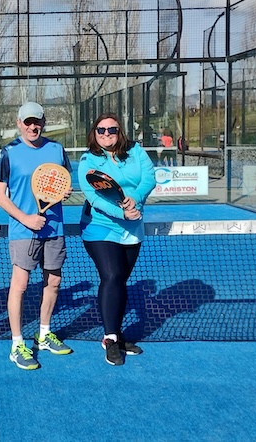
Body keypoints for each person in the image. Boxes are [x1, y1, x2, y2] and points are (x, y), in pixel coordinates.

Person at [0, 102, 74, 370]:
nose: (32, 126)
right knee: (20, 285)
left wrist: (64, 192)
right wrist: (26, 218)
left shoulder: (56, 149)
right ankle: (17, 344)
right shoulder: (8, 153)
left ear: (43, 121)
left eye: (36, 121)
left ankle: (43, 333)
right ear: (19, 123)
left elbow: (64, 182)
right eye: (27, 122)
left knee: (53, 281)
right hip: (23, 230)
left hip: (54, 228)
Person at [77, 112, 156, 366]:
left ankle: (118, 333)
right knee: (111, 276)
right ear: (94, 133)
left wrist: (137, 200)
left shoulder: (135, 151)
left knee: (120, 280)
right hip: (100, 228)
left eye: (112, 130)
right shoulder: (88, 160)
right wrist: (121, 211)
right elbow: (95, 198)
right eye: (101, 130)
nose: (107, 134)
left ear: (119, 131)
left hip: (132, 228)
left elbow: (149, 178)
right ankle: (110, 338)